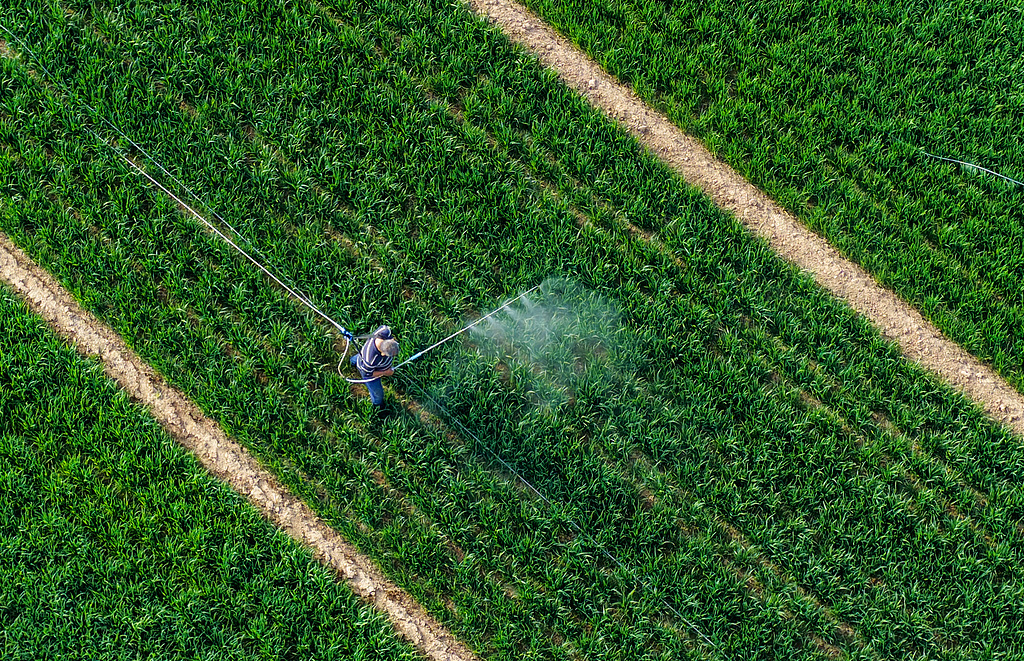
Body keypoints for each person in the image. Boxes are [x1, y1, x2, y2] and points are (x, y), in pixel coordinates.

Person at [349, 325, 400, 408]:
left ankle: (352, 361)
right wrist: (385, 372)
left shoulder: (384, 332)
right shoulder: (371, 360)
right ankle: (378, 406)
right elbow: (368, 374)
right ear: (383, 354)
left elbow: (384, 327)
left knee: (358, 358)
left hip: (365, 358)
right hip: (368, 370)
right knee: (378, 393)